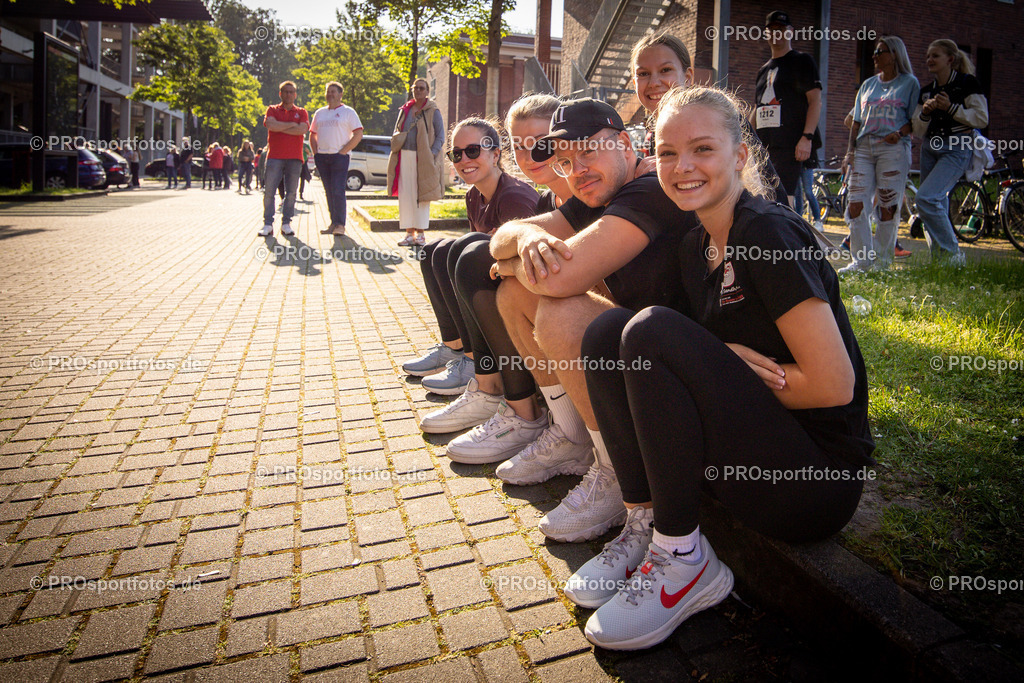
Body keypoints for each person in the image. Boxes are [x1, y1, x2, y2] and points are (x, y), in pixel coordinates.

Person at [574, 85, 874, 651]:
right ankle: (646, 521)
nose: (682, 166)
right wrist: (720, 362)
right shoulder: (696, 246)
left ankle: (684, 558)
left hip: (811, 485)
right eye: (666, 152)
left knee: (648, 330)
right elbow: (685, 363)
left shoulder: (768, 233)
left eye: (702, 149)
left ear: (739, 156)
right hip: (746, 458)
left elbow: (835, 385)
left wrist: (723, 372)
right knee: (608, 331)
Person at [489, 98, 699, 542]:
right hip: (642, 349)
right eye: (564, 161)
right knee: (514, 293)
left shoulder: (650, 187)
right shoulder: (595, 190)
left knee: (560, 312)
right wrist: (527, 235)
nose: (576, 168)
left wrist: (513, 263)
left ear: (624, 142)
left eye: (587, 151)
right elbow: (499, 239)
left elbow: (562, 278)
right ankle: (573, 436)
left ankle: (619, 473)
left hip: (686, 368)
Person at [419, 99, 592, 476]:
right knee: (461, 254)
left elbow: (556, 270)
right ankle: (492, 385)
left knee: (478, 260)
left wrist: (510, 260)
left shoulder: (582, 195)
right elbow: (507, 252)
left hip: (594, 339)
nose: (530, 154)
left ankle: (507, 394)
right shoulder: (551, 200)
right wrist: (514, 254)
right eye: (520, 145)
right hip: (552, 335)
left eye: (542, 142)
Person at [403, 118, 539, 403]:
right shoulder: (474, 195)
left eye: (473, 151)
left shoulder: (514, 197)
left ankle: (475, 361)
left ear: (496, 153)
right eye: (457, 154)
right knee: (432, 251)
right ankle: (455, 348)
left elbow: (523, 268)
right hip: (493, 283)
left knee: (456, 249)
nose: (464, 159)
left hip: (524, 297)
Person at [631, 31, 787, 206]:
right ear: (634, 83)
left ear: (688, 76)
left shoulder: (719, 116)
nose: (654, 82)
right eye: (643, 74)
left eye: (665, 70)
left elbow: (765, 190)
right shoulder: (654, 135)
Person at [838, 36, 919, 274]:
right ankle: (861, 261)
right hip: (864, 147)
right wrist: (849, 153)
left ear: (894, 54)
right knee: (855, 204)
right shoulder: (868, 85)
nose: (874, 55)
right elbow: (855, 122)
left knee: (888, 205)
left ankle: (882, 263)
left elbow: (917, 120)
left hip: (893, 148)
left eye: (880, 51)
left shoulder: (910, 83)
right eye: (874, 51)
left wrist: (899, 132)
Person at [912, 39, 989, 266]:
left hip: (957, 146)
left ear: (950, 59)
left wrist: (951, 108)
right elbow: (917, 129)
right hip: (930, 148)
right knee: (936, 203)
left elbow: (982, 118)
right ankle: (940, 262)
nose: (929, 60)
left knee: (925, 198)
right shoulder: (927, 91)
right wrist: (925, 113)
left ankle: (953, 256)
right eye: (928, 56)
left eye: (935, 55)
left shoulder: (967, 84)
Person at [754, 10, 822, 204]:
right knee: (764, 196)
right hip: (764, 144)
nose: (776, 33)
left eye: (781, 29)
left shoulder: (802, 61)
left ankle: (785, 233)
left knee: (784, 198)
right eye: (772, 29)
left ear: (790, 31)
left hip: (790, 144)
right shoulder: (763, 70)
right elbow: (757, 107)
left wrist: (807, 137)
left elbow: (815, 101)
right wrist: (741, 134)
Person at [387, 78, 445, 247]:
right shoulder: (405, 110)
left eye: (421, 88)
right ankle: (408, 233)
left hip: (423, 158)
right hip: (404, 156)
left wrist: (430, 154)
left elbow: (440, 136)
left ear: (427, 91)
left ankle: (420, 234)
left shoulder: (433, 110)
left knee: (422, 195)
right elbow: (397, 130)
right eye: (415, 88)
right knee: (406, 195)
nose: (418, 91)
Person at [310, 81, 364, 235]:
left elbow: (358, 134)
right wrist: (316, 152)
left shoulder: (348, 112)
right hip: (322, 157)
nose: (330, 94)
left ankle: (340, 224)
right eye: (328, 91)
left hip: (339, 157)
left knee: (338, 190)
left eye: (333, 91)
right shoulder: (320, 113)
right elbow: (312, 133)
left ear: (340, 94)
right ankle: (333, 223)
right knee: (328, 191)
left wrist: (344, 151)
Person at [260, 80, 309, 237]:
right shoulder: (272, 109)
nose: (288, 94)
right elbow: (271, 125)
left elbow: (302, 129)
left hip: (294, 158)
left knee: (291, 193)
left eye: (291, 92)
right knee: (269, 191)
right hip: (275, 157)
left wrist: (281, 126)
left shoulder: (302, 112)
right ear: (280, 93)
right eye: (285, 92)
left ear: (295, 95)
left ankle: (286, 223)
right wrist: (291, 125)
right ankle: (268, 224)